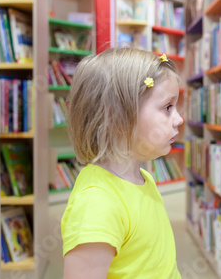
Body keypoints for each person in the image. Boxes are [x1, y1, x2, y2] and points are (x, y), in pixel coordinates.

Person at [61, 48, 183, 279]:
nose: (179, 119)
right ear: (116, 117)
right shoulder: (97, 202)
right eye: (168, 107)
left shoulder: (143, 178)